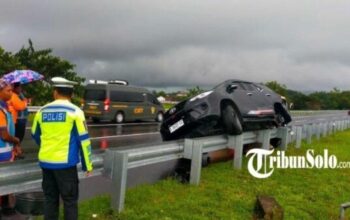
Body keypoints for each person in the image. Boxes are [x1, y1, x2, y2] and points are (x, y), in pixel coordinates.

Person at [31, 77, 93, 220]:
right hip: (66, 165)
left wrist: (47, 146)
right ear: (71, 95)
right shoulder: (75, 112)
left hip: (46, 163)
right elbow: (83, 140)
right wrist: (87, 164)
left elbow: (35, 134)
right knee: (69, 201)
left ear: (55, 92)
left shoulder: (42, 111)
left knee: (50, 199)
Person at [0, 79, 21, 216]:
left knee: (5, 182)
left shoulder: (4, 107)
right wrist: (16, 140)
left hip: (6, 153)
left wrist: (14, 145)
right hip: (1, 154)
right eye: (8, 90)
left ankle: (6, 206)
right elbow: (4, 134)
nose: (11, 93)